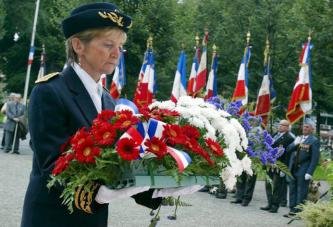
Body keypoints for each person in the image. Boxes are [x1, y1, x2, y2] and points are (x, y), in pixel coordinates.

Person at [21, 3, 161, 227]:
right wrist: (100, 192)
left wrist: (157, 188)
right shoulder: (50, 92)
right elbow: (52, 167)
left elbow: (116, 160)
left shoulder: (107, 99)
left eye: (120, 46)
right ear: (78, 45)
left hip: (93, 219)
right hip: (53, 217)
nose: (116, 54)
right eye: (108, 44)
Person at [283, 118, 320, 218]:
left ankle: (299, 212)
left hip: (304, 169)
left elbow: (315, 158)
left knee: (302, 191)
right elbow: (288, 150)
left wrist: (310, 172)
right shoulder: (299, 138)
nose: (305, 128)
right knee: (292, 189)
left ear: (312, 129)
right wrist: (295, 143)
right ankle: (292, 210)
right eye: (304, 126)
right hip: (293, 168)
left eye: (307, 127)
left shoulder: (314, 141)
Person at [260, 119, 294, 213]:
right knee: (268, 184)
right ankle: (269, 203)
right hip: (270, 164)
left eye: (282, 125)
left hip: (279, 165)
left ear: (287, 128)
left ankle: (275, 206)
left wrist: (284, 169)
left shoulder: (289, 138)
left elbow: (288, 155)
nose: (279, 126)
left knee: (277, 186)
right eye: (279, 124)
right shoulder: (275, 135)